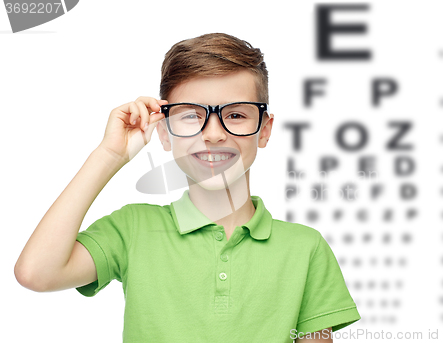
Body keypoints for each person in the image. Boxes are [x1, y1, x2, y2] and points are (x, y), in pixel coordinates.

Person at [14, 33, 360, 342]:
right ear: (164, 131)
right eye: (192, 116)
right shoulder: (133, 229)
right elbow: (36, 273)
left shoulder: (305, 248)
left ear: (265, 130)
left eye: (236, 115)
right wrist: (108, 155)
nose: (213, 134)